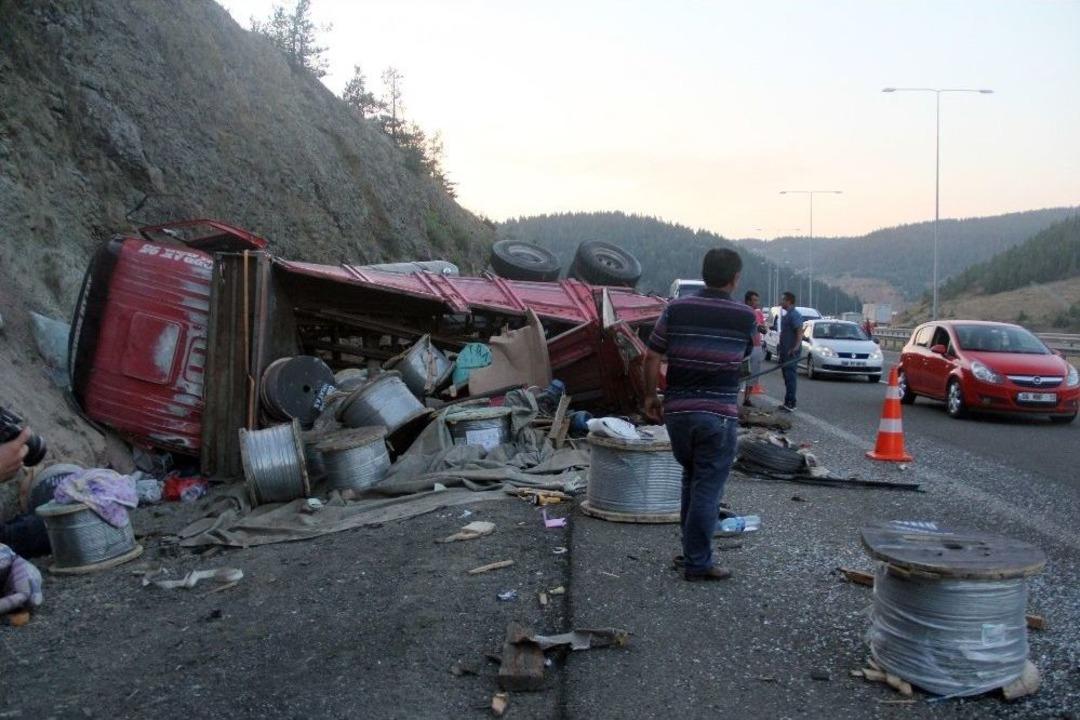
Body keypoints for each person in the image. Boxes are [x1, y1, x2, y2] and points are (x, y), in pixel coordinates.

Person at [642, 248, 755, 582]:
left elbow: (651, 356)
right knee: (707, 488)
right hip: (718, 416)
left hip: (678, 413)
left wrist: (650, 396)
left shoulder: (676, 308)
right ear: (735, 279)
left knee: (691, 480)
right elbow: (744, 354)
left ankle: (692, 553)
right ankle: (698, 564)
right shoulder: (745, 317)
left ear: (704, 274)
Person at [777, 291, 804, 412]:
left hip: (791, 352)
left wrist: (796, 347)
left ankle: (791, 403)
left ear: (789, 301)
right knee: (786, 377)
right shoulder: (787, 315)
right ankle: (787, 401)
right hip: (785, 351)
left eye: (783, 300)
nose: (781, 302)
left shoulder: (795, 315)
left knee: (790, 377)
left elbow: (799, 332)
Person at [742, 290, 767, 407]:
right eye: (754, 300)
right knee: (742, 373)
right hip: (745, 347)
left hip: (756, 346)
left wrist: (762, 328)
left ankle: (747, 399)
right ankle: (733, 399)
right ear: (748, 301)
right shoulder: (743, 312)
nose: (757, 302)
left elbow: (764, 328)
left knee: (753, 375)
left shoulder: (758, 313)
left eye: (757, 300)